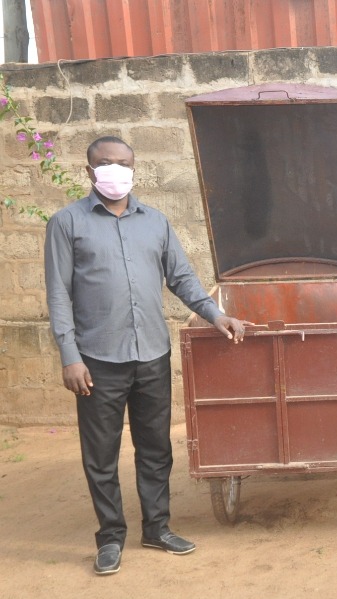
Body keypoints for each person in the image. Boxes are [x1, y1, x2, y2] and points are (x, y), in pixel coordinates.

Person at [44, 136, 248, 576]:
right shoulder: (67, 223)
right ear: (89, 172)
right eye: (105, 164)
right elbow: (58, 294)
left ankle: (157, 527)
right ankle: (110, 537)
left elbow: (182, 278)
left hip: (151, 353)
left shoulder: (155, 222)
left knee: (155, 448)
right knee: (100, 454)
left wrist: (216, 315)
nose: (115, 171)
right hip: (96, 359)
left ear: (135, 170)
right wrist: (69, 355)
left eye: (123, 164)